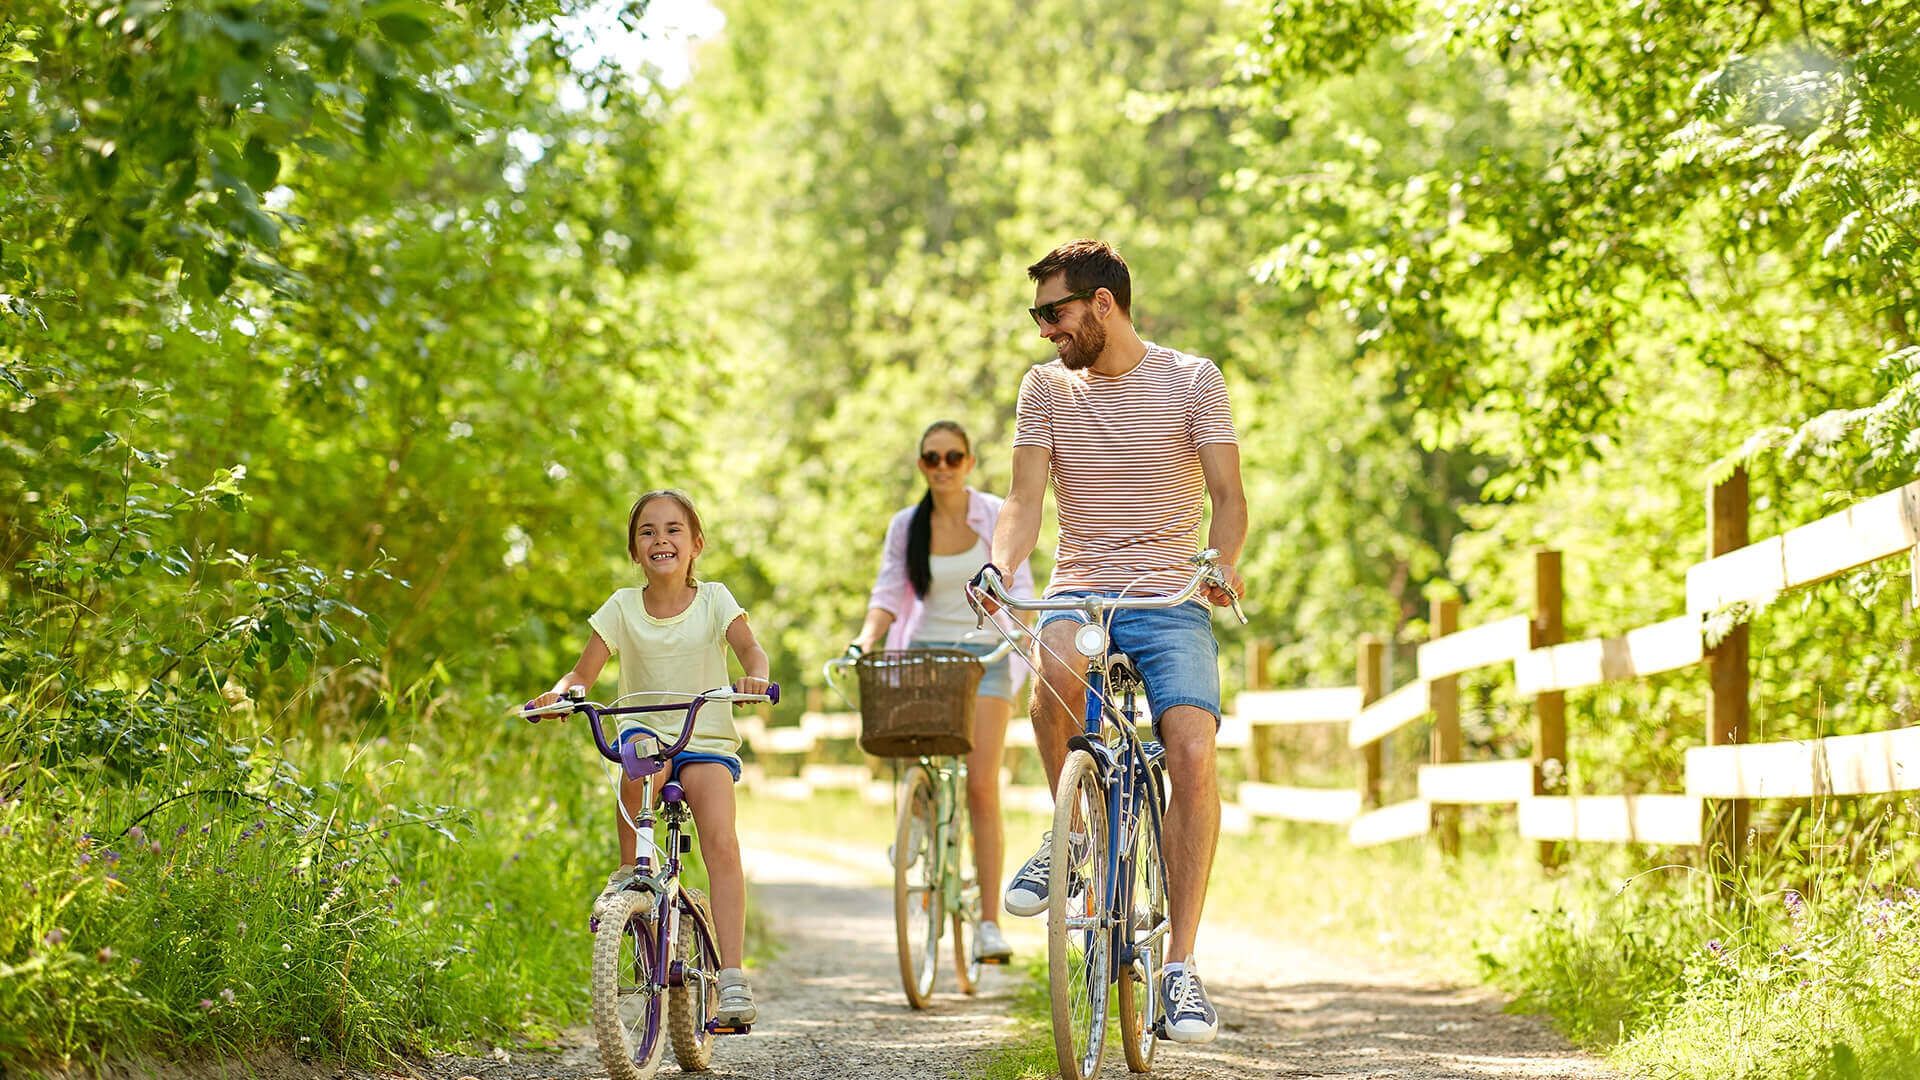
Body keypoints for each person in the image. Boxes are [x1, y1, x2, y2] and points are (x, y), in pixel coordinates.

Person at [973, 240, 1247, 1044]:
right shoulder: (1045, 389)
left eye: (1053, 314)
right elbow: (1024, 501)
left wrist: (1219, 567)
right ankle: (1077, 836)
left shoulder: (1194, 379)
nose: (1045, 331)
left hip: (1171, 597)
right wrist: (1000, 565)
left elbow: (1229, 496)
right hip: (1082, 587)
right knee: (1050, 667)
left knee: (1192, 749)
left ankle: (1181, 969)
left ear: (1102, 305)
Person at [525, 488, 771, 1028]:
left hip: (703, 735)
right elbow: (581, 675)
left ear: (696, 544)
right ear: (635, 551)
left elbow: (750, 649)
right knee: (635, 766)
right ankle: (633, 877)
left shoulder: (715, 600)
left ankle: (731, 977)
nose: (661, 539)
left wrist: (755, 673)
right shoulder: (620, 607)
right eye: (647, 532)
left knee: (721, 840)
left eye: (673, 530)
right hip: (646, 732)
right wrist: (562, 695)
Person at [850, 419, 1038, 964]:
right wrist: (866, 639)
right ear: (921, 466)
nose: (943, 468)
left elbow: (1020, 587)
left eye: (953, 457)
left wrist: (1025, 628)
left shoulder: (994, 516)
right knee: (917, 756)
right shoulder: (907, 526)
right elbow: (888, 590)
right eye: (932, 458)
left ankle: (987, 925)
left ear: (969, 462)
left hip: (985, 657)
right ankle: (916, 817)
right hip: (924, 653)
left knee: (981, 786)